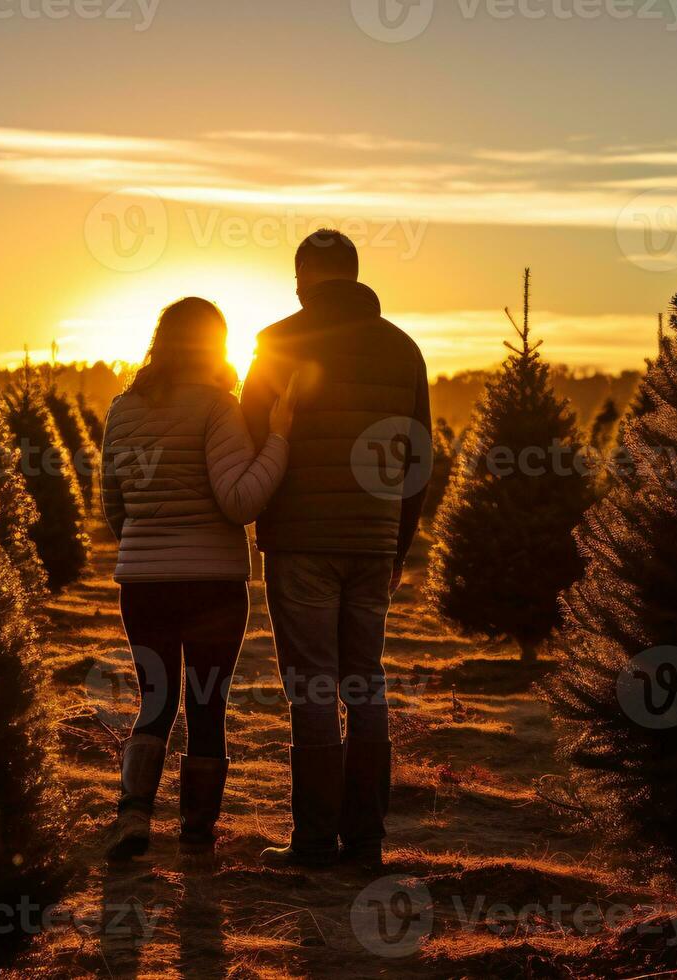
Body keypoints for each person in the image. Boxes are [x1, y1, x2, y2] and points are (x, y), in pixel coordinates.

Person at [241, 229, 431, 870]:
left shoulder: (276, 341)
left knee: (313, 687)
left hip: (301, 542)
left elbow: (251, 435)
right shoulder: (404, 350)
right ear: (353, 274)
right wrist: (397, 544)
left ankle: (316, 840)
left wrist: (257, 514)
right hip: (375, 541)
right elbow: (419, 459)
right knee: (365, 680)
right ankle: (368, 840)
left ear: (304, 277)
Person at [100, 297, 298, 861]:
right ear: (215, 346)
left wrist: (146, 548)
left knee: (154, 699)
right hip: (211, 582)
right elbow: (239, 502)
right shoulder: (217, 407)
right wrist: (278, 440)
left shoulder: (122, 409)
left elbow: (115, 504)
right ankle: (196, 834)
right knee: (206, 703)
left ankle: (134, 816)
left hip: (142, 583)